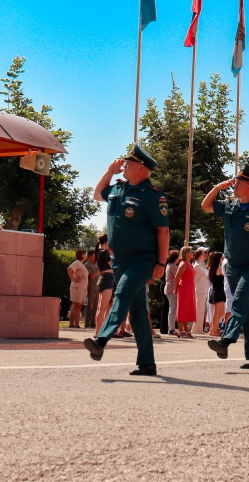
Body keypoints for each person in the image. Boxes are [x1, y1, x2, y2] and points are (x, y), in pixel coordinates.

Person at [83, 145, 170, 376]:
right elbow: (96, 194)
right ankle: (147, 363)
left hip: (143, 260)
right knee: (139, 310)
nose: (124, 165)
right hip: (120, 260)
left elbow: (163, 232)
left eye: (129, 163)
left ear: (141, 168)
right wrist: (109, 172)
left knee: (121, 293)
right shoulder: (118, 189)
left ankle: (101, 340)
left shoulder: (153, 196)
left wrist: (161, 264)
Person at [201, 164, 249, 370]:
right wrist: (217, 188)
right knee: (247, 313)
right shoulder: (230, 206)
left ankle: (226, 340)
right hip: (233, 267)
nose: (235, 185)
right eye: (235, 181)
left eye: (240, 182)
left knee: (240, 300)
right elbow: (205, 205)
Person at [174, 246, 196, 338]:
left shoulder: (189, 263)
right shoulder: (183, 264)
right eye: (191, 252)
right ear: (187, 253)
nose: (193, 253)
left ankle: (186, 330)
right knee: (182, 308)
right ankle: (181, 330)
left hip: (190, 288)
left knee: (187, 308)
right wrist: (176, 288)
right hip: (184, 288)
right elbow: (177, 277)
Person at [94, 234, 114, 336]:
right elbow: (113, 265)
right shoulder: (104, 253)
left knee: (100, 308)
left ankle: (98, 331)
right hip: (107, 279)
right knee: (103, 308)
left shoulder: (99, 252)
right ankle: (99, 332)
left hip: (102, 279)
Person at [67, 250, 87, 328]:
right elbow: (69, 269)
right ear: (82, 255)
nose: (86, 255)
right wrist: (73, 278)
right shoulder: (77, 262)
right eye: (85, 254)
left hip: (83, 287)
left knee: (79, 306)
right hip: (77, 287)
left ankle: (77, 324)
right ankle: (71, 324)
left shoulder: (82, 264)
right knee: (75, 305)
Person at [207, 252, 226, 337]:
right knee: (217, 312)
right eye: (221, 258)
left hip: (216, 291)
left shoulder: (212, 268)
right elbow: (226, 275)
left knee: (219, 312)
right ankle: (214, 330)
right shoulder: (218, 268)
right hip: (218, 291)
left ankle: (213, 329)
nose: (222, 260)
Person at [192, 249, 209, 334]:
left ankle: (198, 328)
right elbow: (207, 274)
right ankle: (197, 329)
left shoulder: (200, 264)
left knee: (201, 310)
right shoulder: (197, 265)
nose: (205, 256)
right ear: (199, 256)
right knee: (199, 309)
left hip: (202, 289)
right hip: (199, 289)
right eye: (203, 254)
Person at [164, 250, 180, 335]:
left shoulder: (169, 265)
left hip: (169, 288)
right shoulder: (173, 266)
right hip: (171, 289)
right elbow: (178, 276)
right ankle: (171, 328)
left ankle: (171, 327)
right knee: (172, 309)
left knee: (172, 309)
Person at [84, 249, 99, 330]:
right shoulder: (87, 265)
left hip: (97, 289)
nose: (95, 257)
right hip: (90, 289)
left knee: (96, 307)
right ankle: (87, 323)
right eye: (94, 256)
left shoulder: (96, 265)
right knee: (89, 307)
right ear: (90, 256)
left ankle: (93, 323)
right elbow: (91, 276)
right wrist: (99, 271)